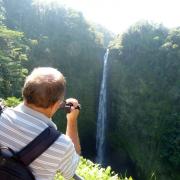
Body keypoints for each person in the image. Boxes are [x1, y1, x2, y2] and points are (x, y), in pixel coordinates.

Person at [0, 67, 81, 180]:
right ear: (56, 104)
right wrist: (72, 120)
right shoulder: (61, 144)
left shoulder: (1, 117)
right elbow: (72, 168)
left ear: (24, 91)